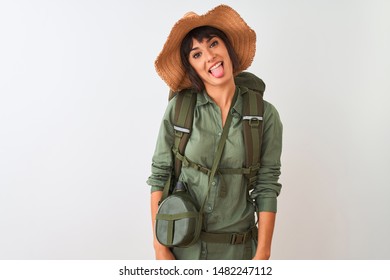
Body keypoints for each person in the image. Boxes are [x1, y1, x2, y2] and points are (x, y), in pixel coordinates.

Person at [147, 4, 283, 260]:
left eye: (213, 44)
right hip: (183, 250)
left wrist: (262, 254)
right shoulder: (180, 110)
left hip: (239, 252)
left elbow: (267, 185)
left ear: (228, 48)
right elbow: (159, 175)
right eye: (196, 54)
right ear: (192, 68)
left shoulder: (265, 115)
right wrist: (160, 248)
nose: (209, 57)